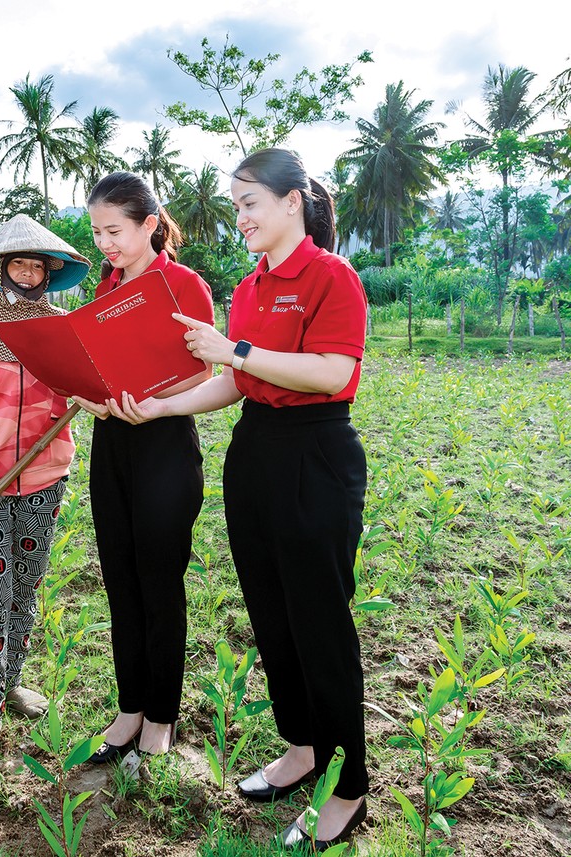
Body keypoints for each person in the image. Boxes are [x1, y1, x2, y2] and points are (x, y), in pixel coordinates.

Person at [108, 148, 369, 850]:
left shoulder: (330, 276)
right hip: (254, 452)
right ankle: (302, 747)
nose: (240, 217)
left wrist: (237, 352)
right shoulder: (252, 286)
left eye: (249, 202)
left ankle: (347, 785)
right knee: (271, 613)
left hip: (315, 452)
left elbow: (333, 371)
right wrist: (162, 410)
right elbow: (234, 379)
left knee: (319, 620)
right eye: (235, 205)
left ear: (293, 202)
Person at [70, 172, 215, 763]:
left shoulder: (183, 285)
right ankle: (130, 707)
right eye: (98, 232)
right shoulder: (104, 289)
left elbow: (204, 372)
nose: (105, 243)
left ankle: (161, 714)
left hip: (162, 446)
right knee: (119, 581)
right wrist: (86, 392)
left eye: (115, 231)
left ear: (150, 225)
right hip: (112, 446)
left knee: (159, 583)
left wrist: (149, 403)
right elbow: (93, 361)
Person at [0, 214, 89, 760]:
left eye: (37, 266)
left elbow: (80, 384)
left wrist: (85, 390)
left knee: (25, 588)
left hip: (46, 476)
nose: (28, 274)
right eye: (18, 263)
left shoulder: (58, 325)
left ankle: (10, 684)